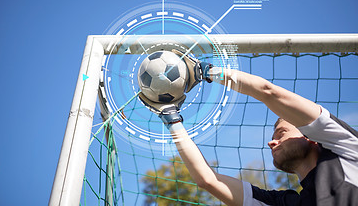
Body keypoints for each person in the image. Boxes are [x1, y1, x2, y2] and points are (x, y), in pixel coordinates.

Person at [139, 51, 358, 206]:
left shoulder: (348, 148)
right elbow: (208, 180)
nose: (271, 142)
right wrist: (171, 119)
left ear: (311, 136)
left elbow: (267, 91)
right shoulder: (288, 202)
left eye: (281, 133)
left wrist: (205, 71)